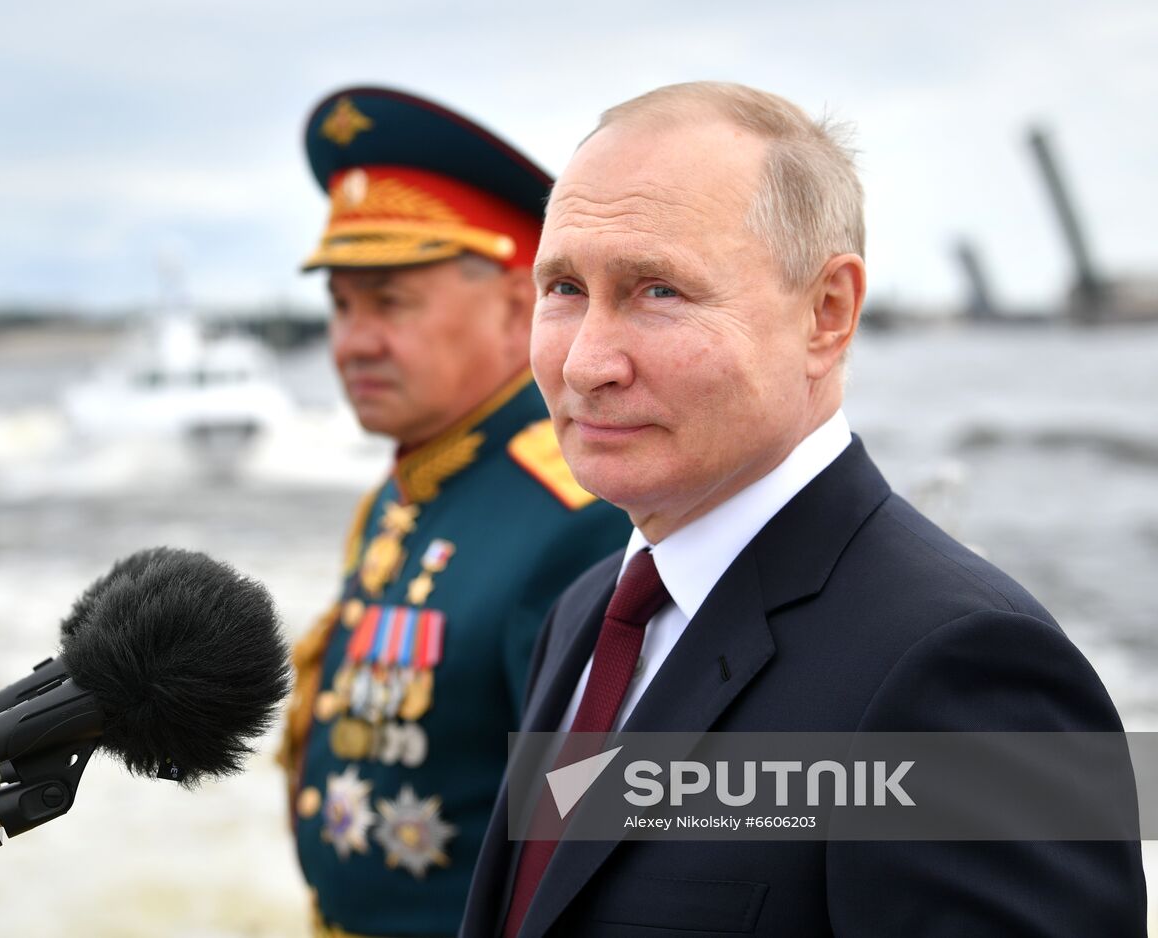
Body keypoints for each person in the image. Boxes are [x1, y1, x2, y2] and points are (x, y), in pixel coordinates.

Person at [461, 82, 1147, 937]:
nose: (588, 362)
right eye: (564, 287)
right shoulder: (590, 615)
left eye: (658, 291)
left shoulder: (962, 670)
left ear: (827, 313)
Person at [279, 86, 630, 938]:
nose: (353, 341)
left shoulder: (577, 518)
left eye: (390, 302)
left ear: (518, 309)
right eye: (341, 304)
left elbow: (589, 856)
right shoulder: (402, 497)